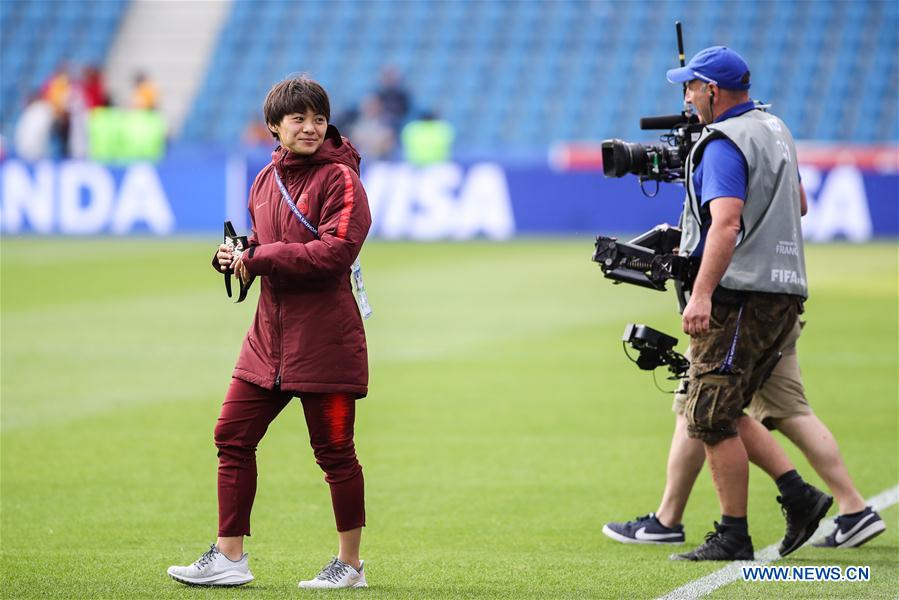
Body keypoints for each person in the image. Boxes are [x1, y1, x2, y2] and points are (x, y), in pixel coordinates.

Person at [167, 76, 372, 589]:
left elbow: (335, 253)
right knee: (231, 436)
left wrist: (259, 257)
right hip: (268, 341)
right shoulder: (263, 180)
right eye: (298, 119)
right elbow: (264, 239)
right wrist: (235, 255)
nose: (310, 128)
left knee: (334, 453)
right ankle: (230, 556)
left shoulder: (342, 180)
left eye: (318, 118)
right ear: (274, 127)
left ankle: (350, 565)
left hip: (325, 341)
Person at [640, 46, 833, 562]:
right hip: (784, 292)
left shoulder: (723, 141)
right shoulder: (775, 128)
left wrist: (701, 293)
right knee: (719, 407)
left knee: (708, 416)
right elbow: (800, 204)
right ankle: (798, 494)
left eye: (691, 86)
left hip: (740, 296)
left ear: (713, 91)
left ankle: (736, 534)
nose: (686, 97)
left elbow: (725, 223)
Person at [603, 317, 886, 549]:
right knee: (791, 412)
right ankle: (853, 507)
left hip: (739, 313)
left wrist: (697, 285)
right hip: (780, 306)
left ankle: (670, 520)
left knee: (704, 405)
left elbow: (724, 246)